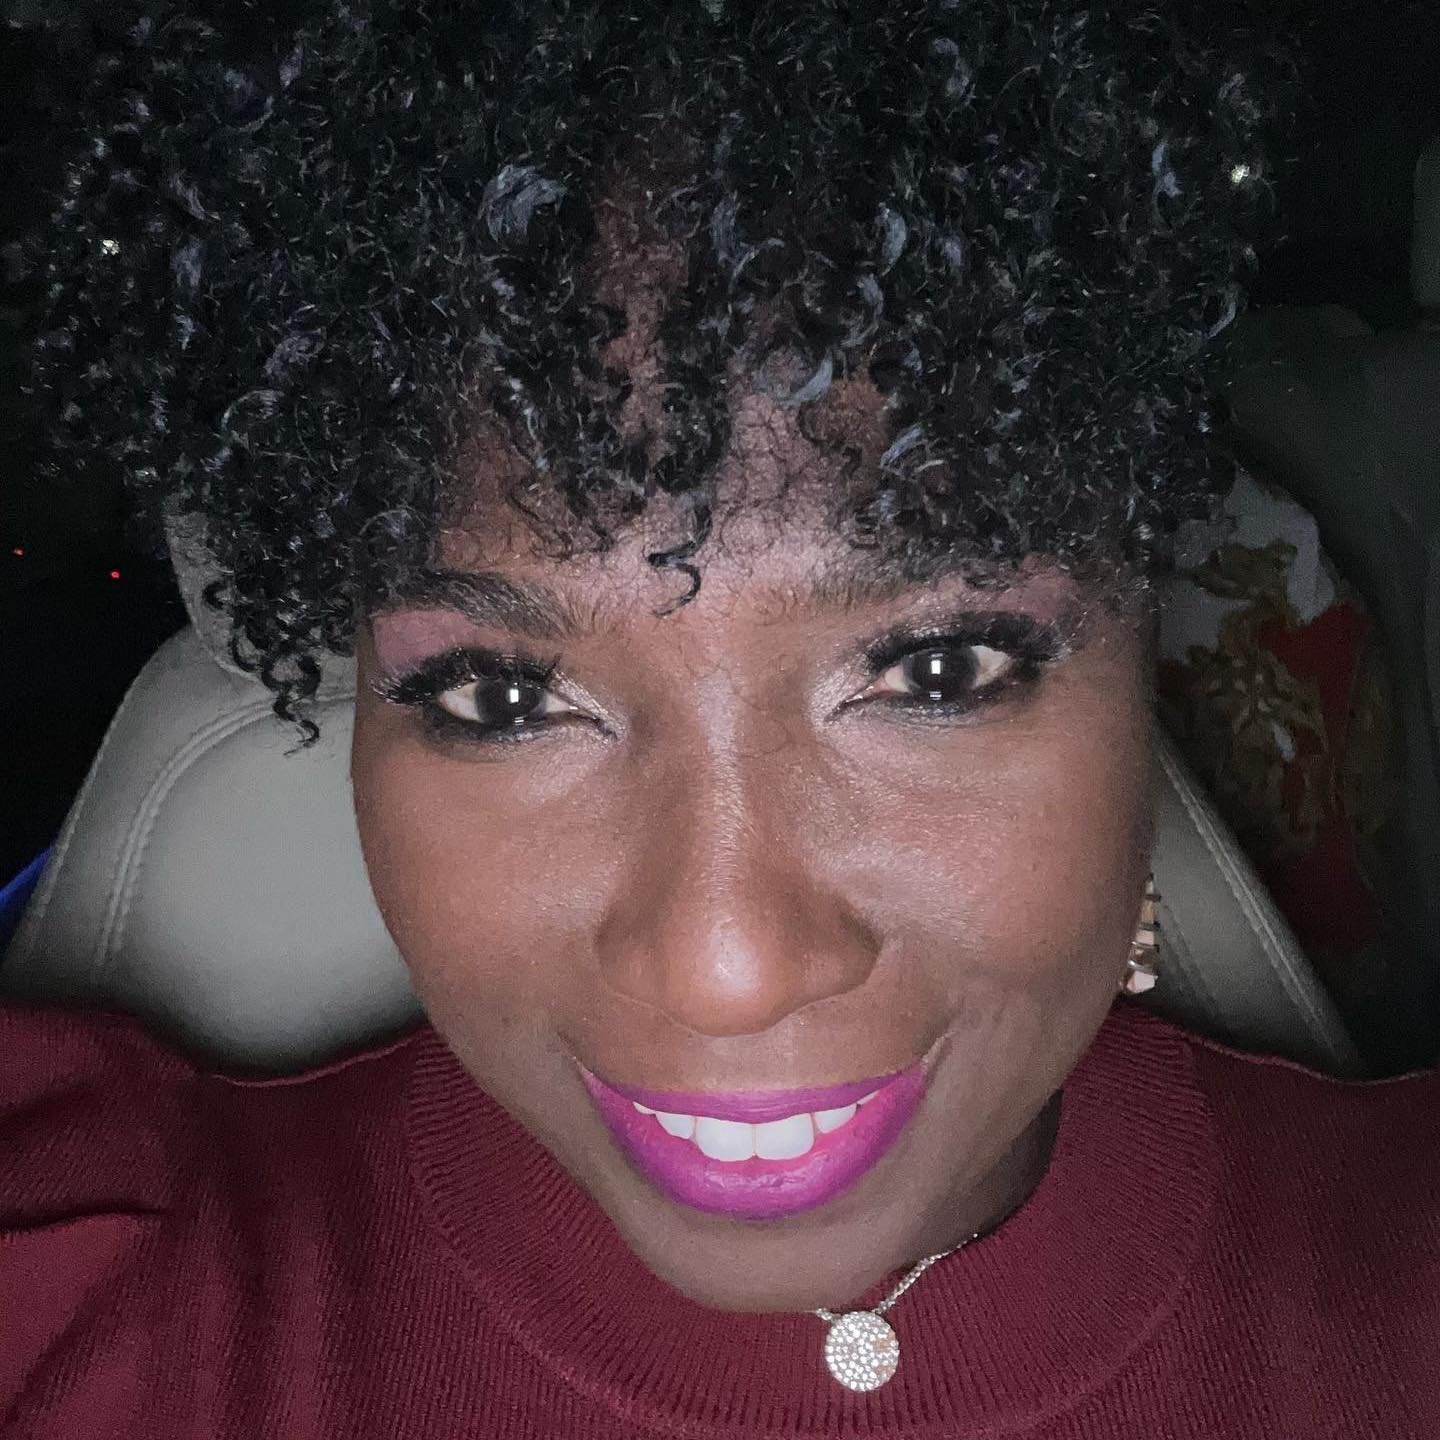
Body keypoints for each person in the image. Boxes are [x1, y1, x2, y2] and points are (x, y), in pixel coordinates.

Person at [4, 1, 1438, 1435]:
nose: (725, 968)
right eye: (503, 696)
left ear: (1145, 644)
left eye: (936, 671)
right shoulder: (106, 1291)